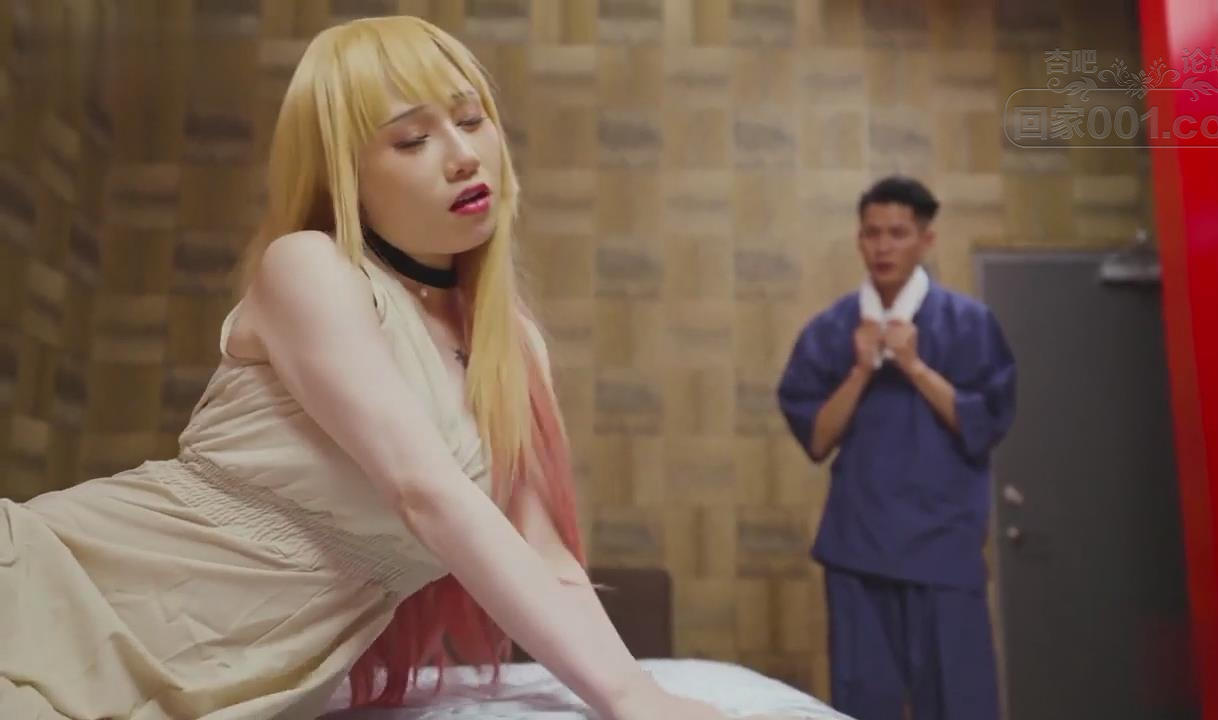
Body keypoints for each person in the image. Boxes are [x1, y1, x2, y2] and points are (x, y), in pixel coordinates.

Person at [0, 17, 810, 720]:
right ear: (346, 173)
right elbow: (424, 492)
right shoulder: (311, 269)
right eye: (413, 139)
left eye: (472, 119)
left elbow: (545, 557)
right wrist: (633, 700)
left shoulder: (510, 345)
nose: (462, 156)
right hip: (74, 601)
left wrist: (637, 694)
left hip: (234, 682)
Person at [776, 176, 1017, 720]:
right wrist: (861, 370)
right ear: (859, 240)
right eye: (872, 233)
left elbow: (984, 426)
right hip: (859, 548)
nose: (883, 246)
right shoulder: (831, 330)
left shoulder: (970, 325)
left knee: (960, 703)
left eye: (898, 233)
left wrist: (914, 366)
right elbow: (817, 439)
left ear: (926, 240)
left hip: (944, 548)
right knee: (863, 703)